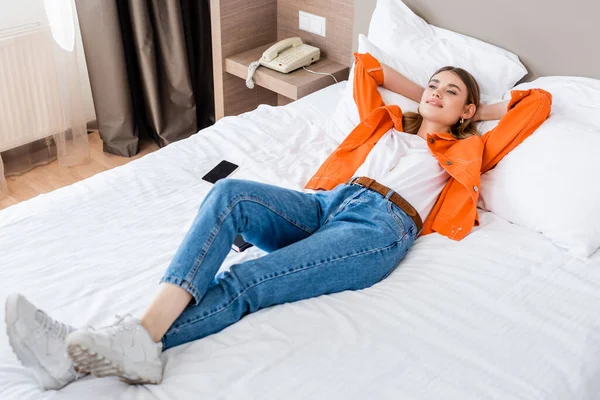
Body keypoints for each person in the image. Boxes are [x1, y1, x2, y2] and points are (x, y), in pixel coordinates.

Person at [4, 52, 552, 390]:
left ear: (468, 111)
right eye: (433, 82)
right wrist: (424, 96)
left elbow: (538, 102)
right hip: (329, 202)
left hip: (377, 229)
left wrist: (474, 113)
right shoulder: (388, 124)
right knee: (231, 194)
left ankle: (99, 346)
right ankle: (122, 343)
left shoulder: (468, 147)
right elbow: (367, 67)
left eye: (450, 90)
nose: (435, 90)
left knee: (246, 282)